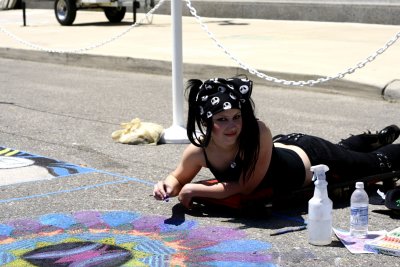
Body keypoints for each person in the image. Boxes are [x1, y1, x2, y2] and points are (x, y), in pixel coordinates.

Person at [153, 76, 400, 209]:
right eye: (222, 119)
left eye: (237, 117)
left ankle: (375, 145)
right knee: (347, 152)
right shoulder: (198, 151)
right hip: (291, 150)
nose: (232, 126)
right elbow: (177, 178)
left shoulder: (257, 131)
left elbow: (246, 187)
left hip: (313, 156)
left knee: (376, 163)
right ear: (207, 123)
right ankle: (368, 139)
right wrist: (167, 186)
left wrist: (194, 189)